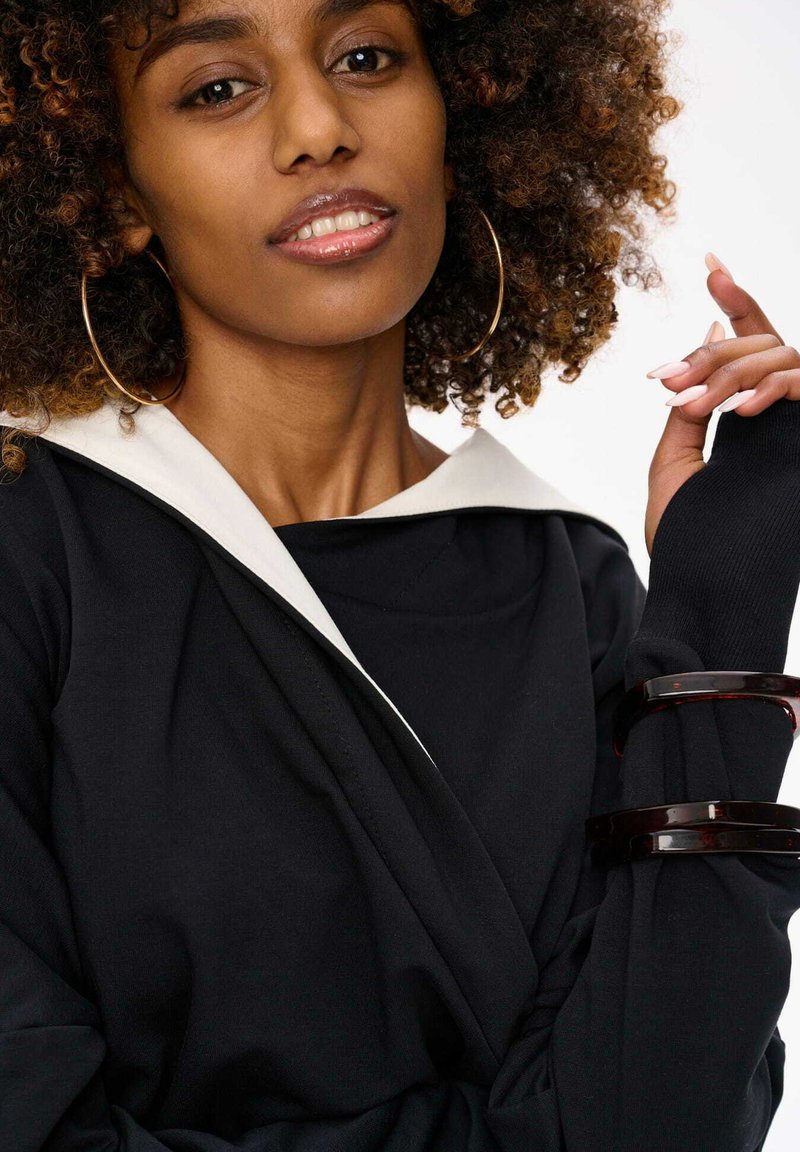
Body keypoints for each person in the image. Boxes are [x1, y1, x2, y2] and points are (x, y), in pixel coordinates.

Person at [1, 0, 800, 1148]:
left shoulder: (572, 587)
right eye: (217, 88)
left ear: (459, 112)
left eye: (365, 56)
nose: (319, 128)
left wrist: (717, 607)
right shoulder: (31, 550)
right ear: (112, 186)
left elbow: (664, 1116)